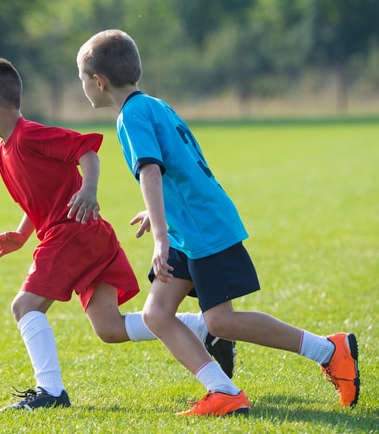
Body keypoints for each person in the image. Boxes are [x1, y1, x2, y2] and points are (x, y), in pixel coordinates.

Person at [75, 29, 360, 417]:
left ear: (98, 81)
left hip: (201, 230)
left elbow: (152, 172)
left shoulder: (130, 116)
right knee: (157, 314)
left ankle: (329, 351)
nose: (82, 87)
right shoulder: (155, 105)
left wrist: (160, 236)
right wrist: (161, 214)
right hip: (190, 226)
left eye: (81, 78)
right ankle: (222, 391)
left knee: (220, 320)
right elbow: (181, 168)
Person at [0, 56, 235, 411]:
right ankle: (203, 328)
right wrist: (22, 233)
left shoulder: (30, 135)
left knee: (24, 306)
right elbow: (38, 198)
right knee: (109, 328)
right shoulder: (3, 152)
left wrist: (89, 189)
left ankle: (51, 392)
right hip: (86, 236)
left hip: (71, 234)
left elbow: (86, 151)